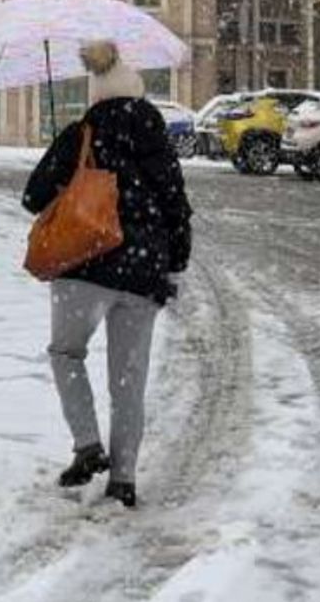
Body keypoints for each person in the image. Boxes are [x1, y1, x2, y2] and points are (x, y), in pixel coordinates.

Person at [22, 42, 193, 508]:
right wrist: (173, 261)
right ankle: (123, 478)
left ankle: (87, 446)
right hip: (143, 272)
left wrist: (65, 169)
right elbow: (177, 206)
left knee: (66, 352)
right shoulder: (155, 138)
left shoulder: (82, 132)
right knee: (129, 379)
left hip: (83, 262)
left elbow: (33, 198)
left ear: (96, 92)